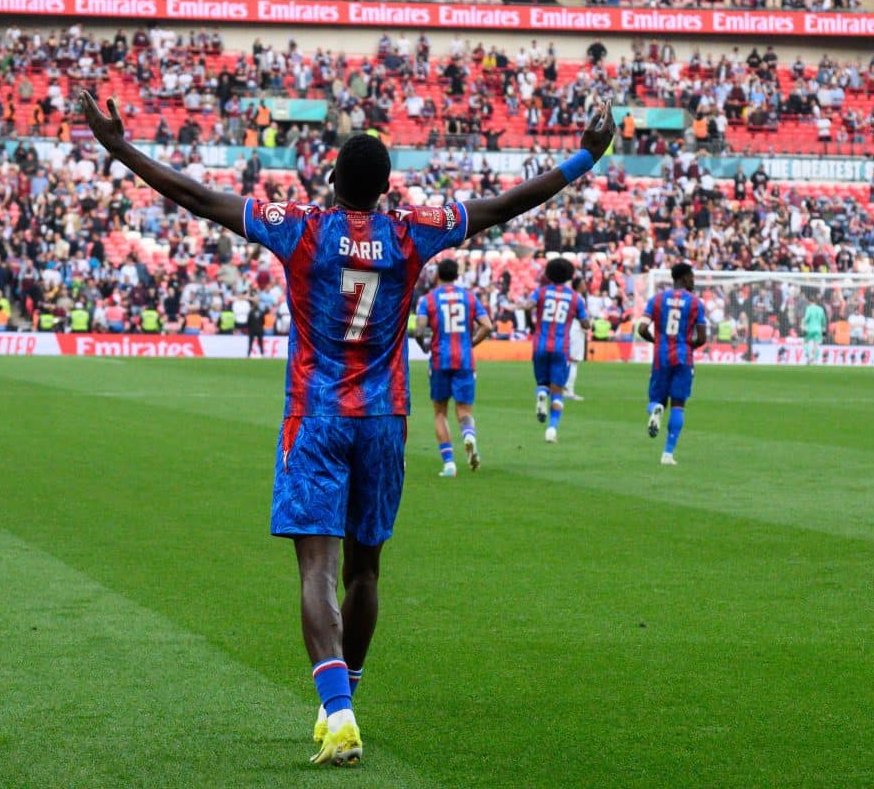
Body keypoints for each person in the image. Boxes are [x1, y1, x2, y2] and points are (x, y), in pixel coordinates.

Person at [80, 90, 613, 766]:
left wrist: (119, 146)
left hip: (316, 415)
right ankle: (344, 701)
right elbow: (504, 205)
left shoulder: (301, 227)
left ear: (332, 180)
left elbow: (198, 198)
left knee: (317, 567)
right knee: (365, 571)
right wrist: (585, 156)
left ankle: (337, 713)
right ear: (387, 188)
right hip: (384, 419)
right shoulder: (414, 230)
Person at [414, 260, 490, 477]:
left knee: (440, 412)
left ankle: (449, 465)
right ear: (457, 276)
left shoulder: (428, 299)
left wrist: (424, 345)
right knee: (464, 411)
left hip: (440, 360)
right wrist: (470, 344)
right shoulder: (469, 297)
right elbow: (487, 325)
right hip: (464, 360)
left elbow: (419, 330)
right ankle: (469, 435)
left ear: (437, 274)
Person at [640, 263, 709, 466]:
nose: (693, 281)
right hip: (683, 358)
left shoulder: (656, 299)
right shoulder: (695, 302)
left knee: (656, 400)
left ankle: (656, 409)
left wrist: (657, 341)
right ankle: (668, 454)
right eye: (692, 277)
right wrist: (687, 346)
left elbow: (642, 329)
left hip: (661, 357)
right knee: (678, 405)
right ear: (685, 278)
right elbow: (702, 338)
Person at [532, 257, 588, 444]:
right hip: (561, 347)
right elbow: (586, 323)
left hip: (540, 345)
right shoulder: (575, 297)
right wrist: (581, 319)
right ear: (569, 276)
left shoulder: (541, 292)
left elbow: (527, 305)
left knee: (542, 383)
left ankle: (541, 395)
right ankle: (552, 429)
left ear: (548, 273)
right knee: (557, 392)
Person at [800, 295, 826, 364]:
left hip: (810, 328)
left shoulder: (809, 308)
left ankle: (810, 356)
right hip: (819, 329)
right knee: (816, 344)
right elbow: (824, 321)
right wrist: (824, 333)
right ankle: (815, 360)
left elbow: (806, 318)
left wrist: (802, 325)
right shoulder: (820, 309)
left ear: (809, 302)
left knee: (805, 342)